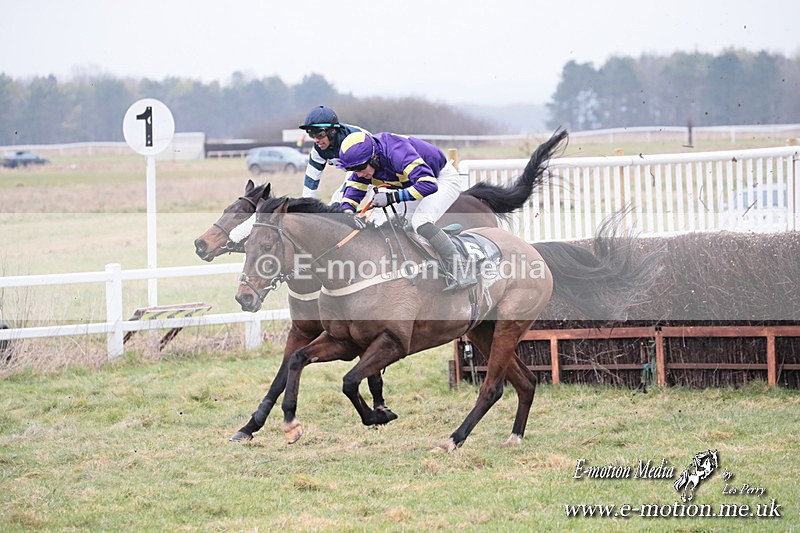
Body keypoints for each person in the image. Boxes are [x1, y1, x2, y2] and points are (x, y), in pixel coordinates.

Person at [337, 131, 477, 292]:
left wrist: (391, 198)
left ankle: (461, 268)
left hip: (439, 179)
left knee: (420, 222)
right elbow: (351, 195)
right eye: (354, 170)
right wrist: (347, 215)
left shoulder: (396, 152)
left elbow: (428, 184)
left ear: (374, 158)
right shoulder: (362, 164)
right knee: (387, 223)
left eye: (361, 168)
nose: (360, 174)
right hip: (413, 184)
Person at [298, 105, 369, 203]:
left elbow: (353, 178)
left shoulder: (351, 142)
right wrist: (306, 205)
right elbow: (311, 180)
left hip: (379, 171)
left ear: (332, 131)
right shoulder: (317, 150)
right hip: (362, 172)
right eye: (312, 135)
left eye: (320, 134)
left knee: (338, 200)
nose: (316, 140)